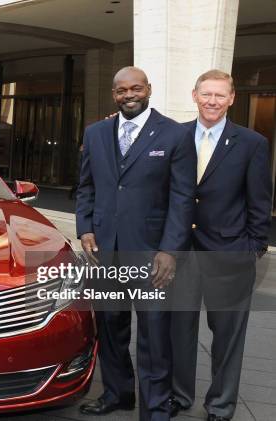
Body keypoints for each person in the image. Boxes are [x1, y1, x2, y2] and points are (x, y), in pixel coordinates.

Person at [76, 66, 196, 420]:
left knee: (155, 335)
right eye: (121, 90)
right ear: (113, 94)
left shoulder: (174, 135)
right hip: (104, 253)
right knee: (111, 329)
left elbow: (182, 198)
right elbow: (86, 187)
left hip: (151, 253)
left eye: (136, 88)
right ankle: (118, 393)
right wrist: (85, 227)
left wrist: (170, 251)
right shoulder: (95, 133)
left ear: (149, 89)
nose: (129, 95)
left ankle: (156, 407)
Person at [169, 70, 272, 421]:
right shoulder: (174, 136)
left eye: (219, 95)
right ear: (194, 95)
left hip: (230, 254)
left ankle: (221, 406)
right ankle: (179, 397)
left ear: (232, 99)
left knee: (227, 336)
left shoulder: (252, 143)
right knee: (179, 330)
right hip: (181, 253)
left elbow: (260, 203)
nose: (212, 101)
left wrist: (253, 249)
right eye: (206, 94)